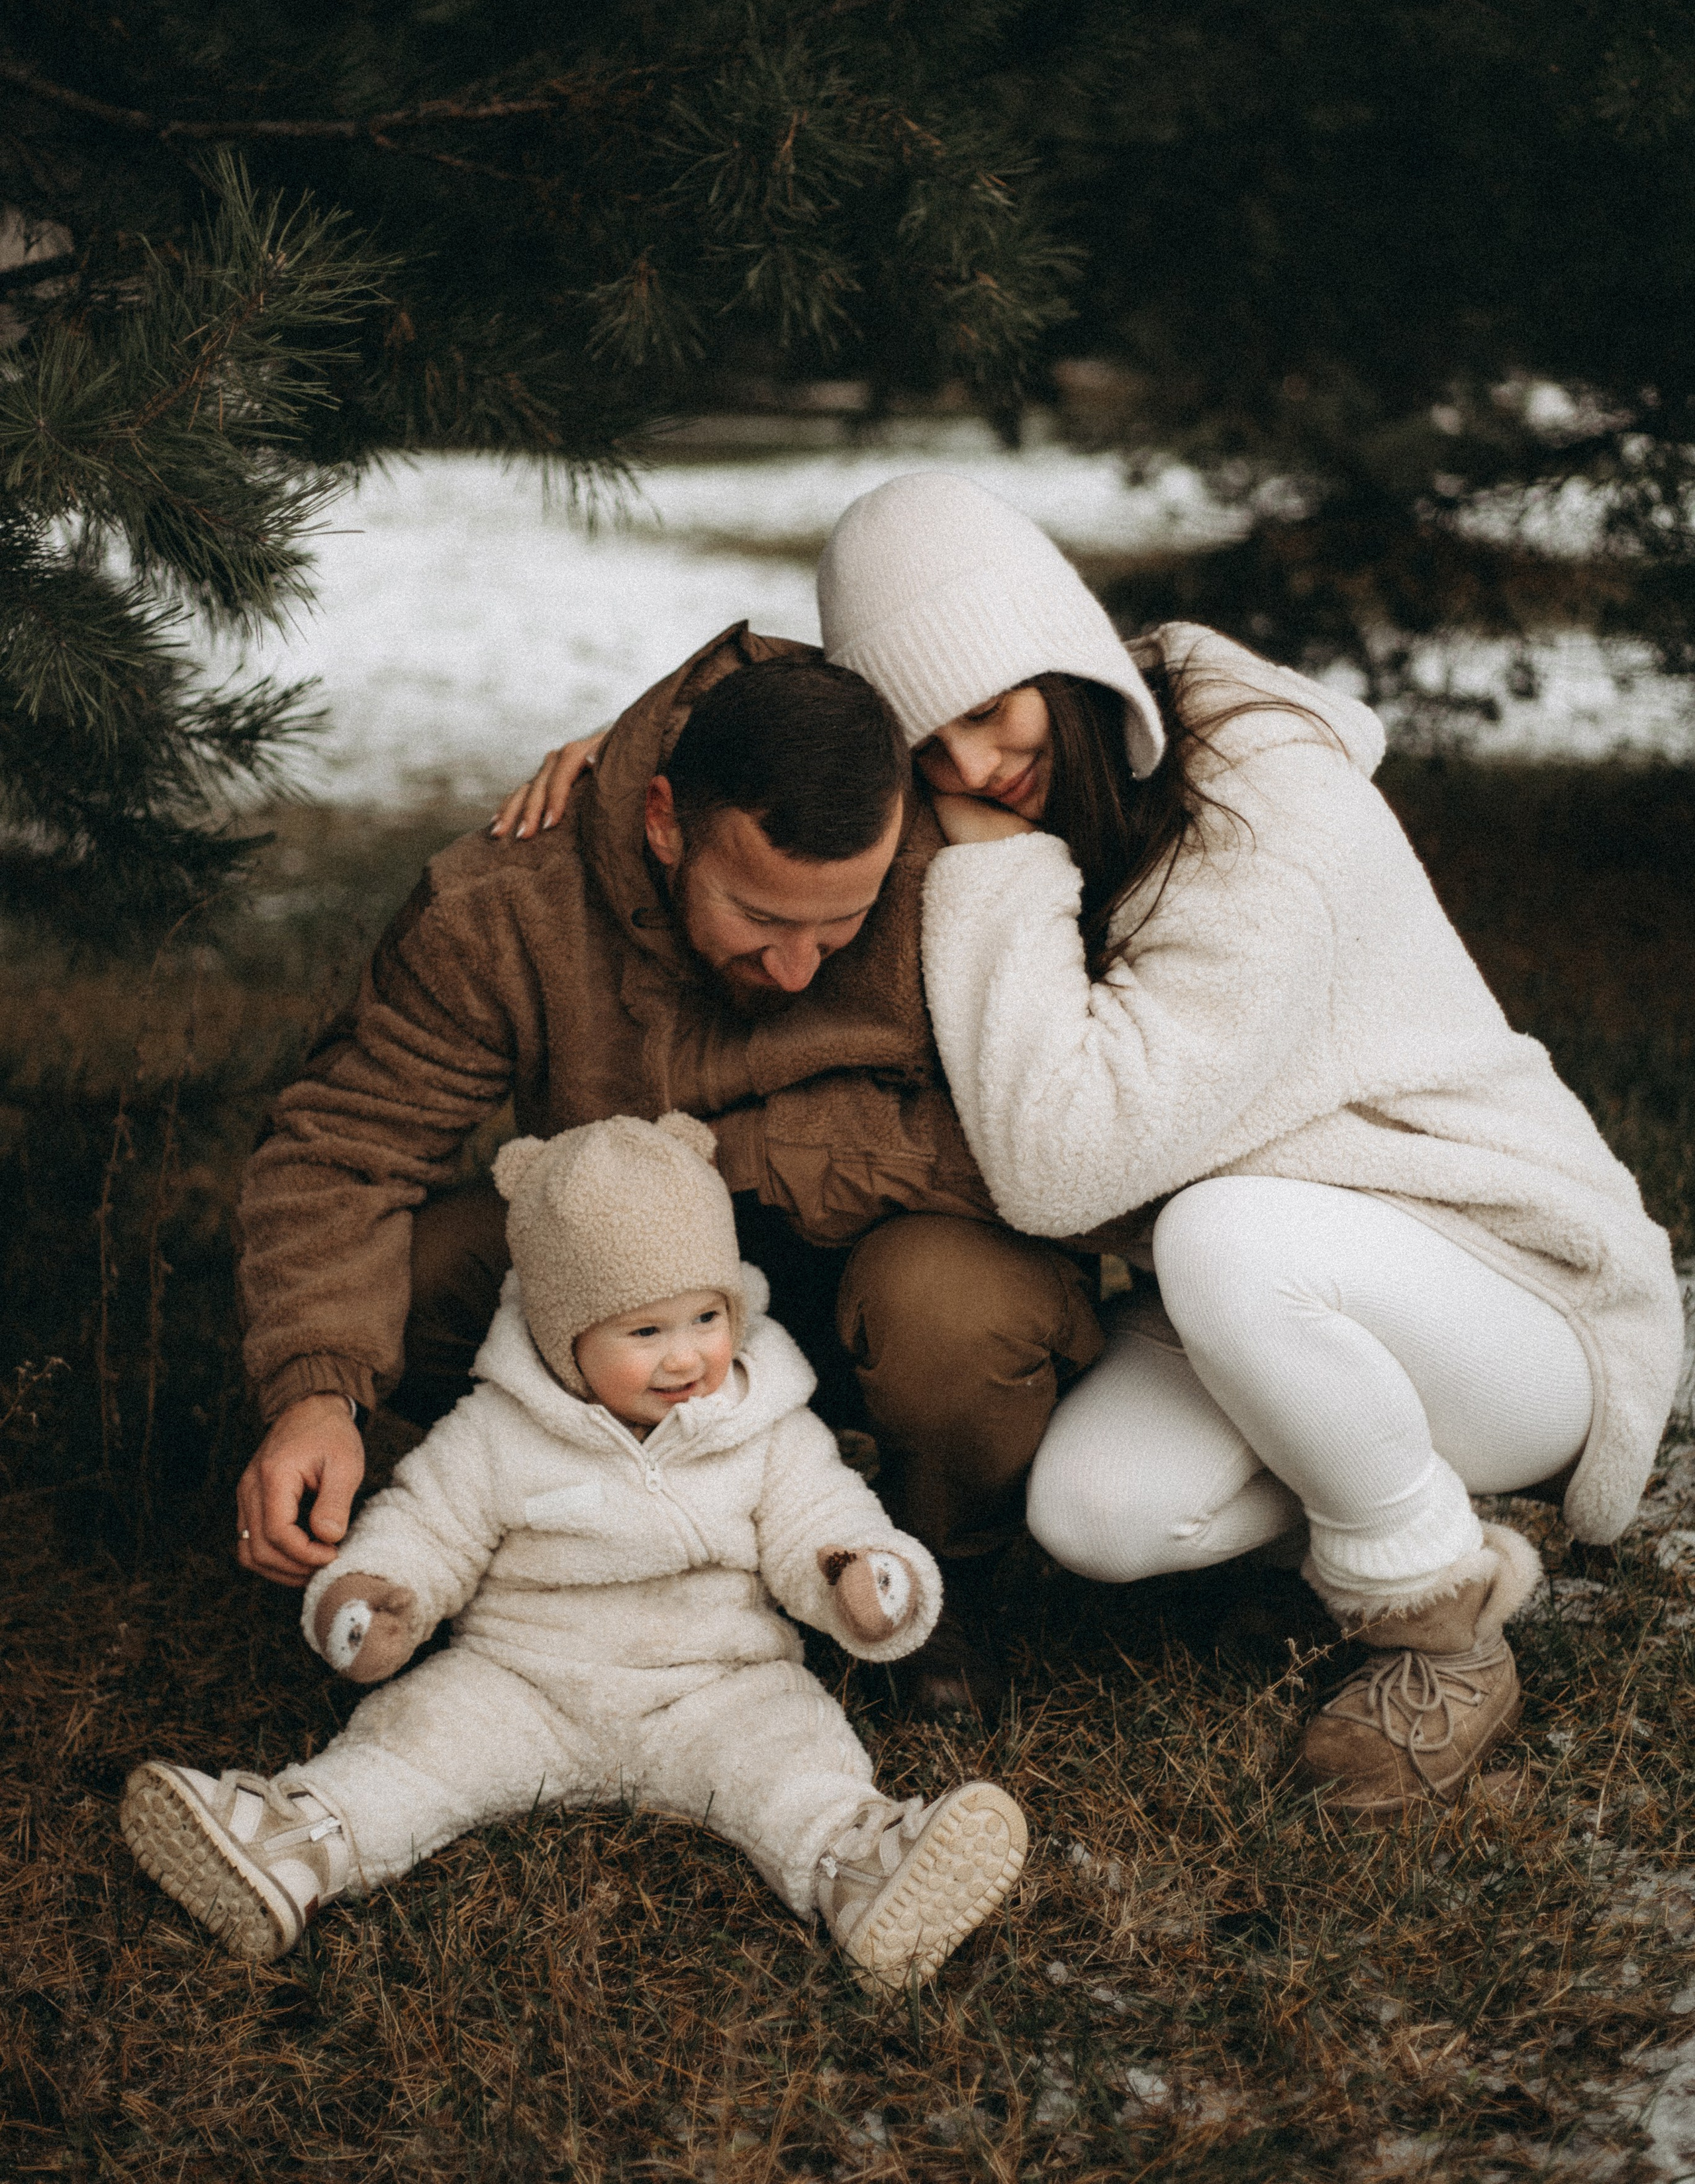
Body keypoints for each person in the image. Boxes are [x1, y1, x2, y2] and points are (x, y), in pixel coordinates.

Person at [809, 468, 1684, 1815]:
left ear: (1063, 654)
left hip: (1513, 1290)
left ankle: (1437, 1631)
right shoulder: (1078, 801)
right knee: (1091, 1517)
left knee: (1220, 1235)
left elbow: (1058, 1167)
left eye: (989, 711)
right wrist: (628, 750)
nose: (973, 771)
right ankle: (1344, 1511)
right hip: (1292, 1275)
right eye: (924, 752)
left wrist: (982, 869)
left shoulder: (1262, 816)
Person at [238, 628, 1104, 1719]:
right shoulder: (510, 906)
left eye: (839, 927)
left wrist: (744, 1158)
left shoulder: (969, 869)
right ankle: (573, 1525)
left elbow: (1056, 1148)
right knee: (411, 1282)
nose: (796, 969)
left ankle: (935, 1571)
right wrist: (317, 1390)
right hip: (620, 1300)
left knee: (955, 1311)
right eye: (760, 918)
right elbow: (346, 1145)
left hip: (884, 1279)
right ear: (661, 820)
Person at [126, 1114, 1028, 1985]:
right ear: (565, 1341)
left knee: (795, 1759)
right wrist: (377, 1593)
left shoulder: (766, 1423)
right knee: (415, 1750)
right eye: (645, 1333)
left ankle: (858, 1865)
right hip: (524, 1680)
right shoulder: (498, 1429)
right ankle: (293, 1844)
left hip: (717, 1684)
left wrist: (865, 1579)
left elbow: (819, 1520)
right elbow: (428, 1523)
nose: (685, 1359)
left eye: (706, 1319)